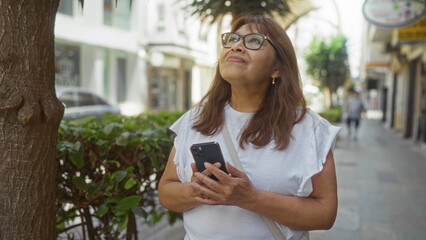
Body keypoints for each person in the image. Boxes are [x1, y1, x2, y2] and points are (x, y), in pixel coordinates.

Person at [158, 15, 340, 240]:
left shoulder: (310, 129)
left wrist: (250, 198)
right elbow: (166, 191)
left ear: (277, 68)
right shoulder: (195, 119)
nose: (237, 46)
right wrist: (194, 190)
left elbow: (325, 214)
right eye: (233, 39)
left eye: (254, 41)